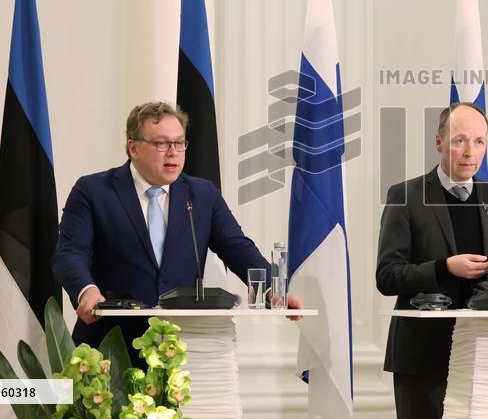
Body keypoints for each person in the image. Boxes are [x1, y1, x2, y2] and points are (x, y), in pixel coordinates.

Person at [52, 102, 301, 361]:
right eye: (161, 144)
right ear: (133, 148)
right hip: (109, 348)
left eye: (179, 143)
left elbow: (237, 247)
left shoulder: (202, 195)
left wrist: (274, 291)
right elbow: (69, 253)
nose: (173, 153)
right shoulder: (94, 191)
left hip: (180, 351)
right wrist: (86, 290)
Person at [376, 102, 488, 419]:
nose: (470, 152)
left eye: (479, 141)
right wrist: (445, 268)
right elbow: (387, 277)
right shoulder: (405, 196)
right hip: (422, 355)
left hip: (485, 352)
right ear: (439, 142)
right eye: (460, 140)